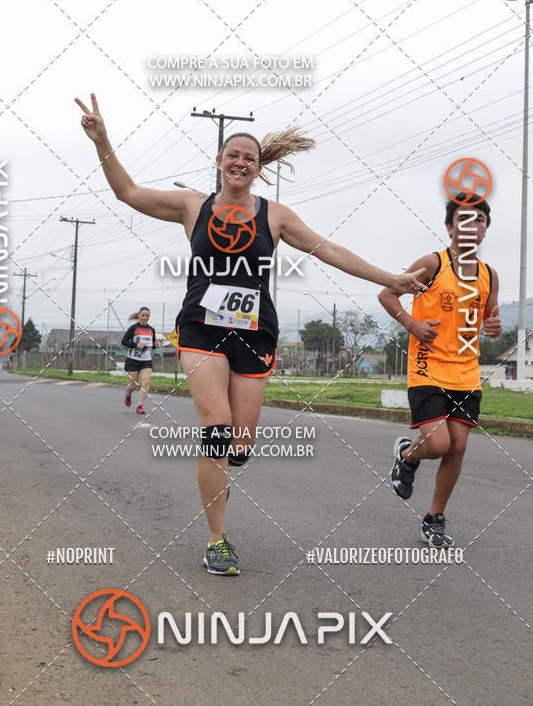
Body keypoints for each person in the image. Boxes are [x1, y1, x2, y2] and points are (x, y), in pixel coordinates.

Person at [76, 92, 427, 576]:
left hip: (255, 333)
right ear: (217, 161)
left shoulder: (275, 216)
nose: (240, 162)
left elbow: (329, 250)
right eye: (232, 155)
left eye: (249, 158)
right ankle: (216, 540)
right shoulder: (190, 206)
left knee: (240, 444)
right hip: (200, 329)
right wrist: (102, 140)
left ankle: (234, 455)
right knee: (217, 433)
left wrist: (390, 278)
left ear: (258, 167)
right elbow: (128, 193)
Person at [379, 191, 502, 548]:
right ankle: (408, 456)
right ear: (450, 227)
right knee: (437, 443)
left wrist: (492, 326)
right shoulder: (432, 264)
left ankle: (434, 518)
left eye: (478, 220)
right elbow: (388, 294)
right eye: (463, 220)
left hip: (466, 373)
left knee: (458, 446)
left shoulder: (488, 275)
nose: (472, 226)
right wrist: (412, 325)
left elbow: (488, 317)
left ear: (485, 230)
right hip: (427, 369)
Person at [121, 308, 158, 414]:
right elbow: (124, 341)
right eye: (143, 315)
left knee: (146, 382)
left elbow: (151, 346)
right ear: (139, 316)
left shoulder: (151, 330)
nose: (145, 317)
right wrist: (136, 344)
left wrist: (155, 345)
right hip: (133, 360)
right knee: (134, 385)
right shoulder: (133, 328)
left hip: (146, 361)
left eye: (147, 316)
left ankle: (140, 406)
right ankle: (128, 393)